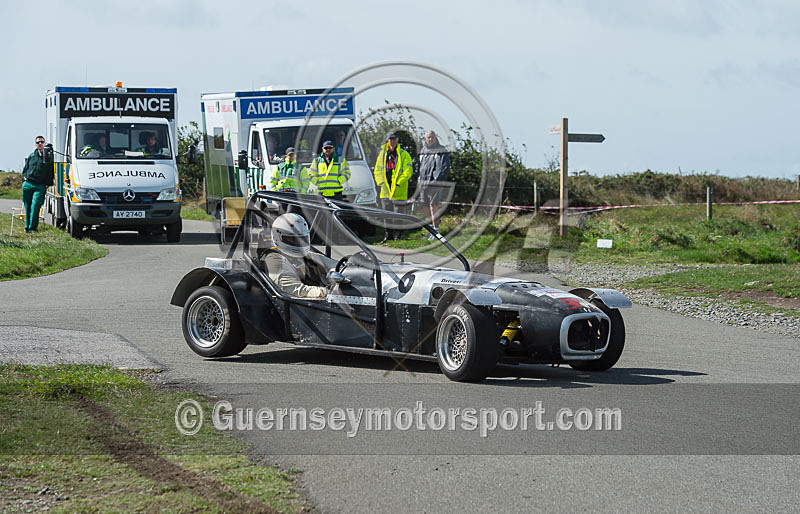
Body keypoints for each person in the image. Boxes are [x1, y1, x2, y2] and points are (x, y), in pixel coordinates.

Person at [262, 213, 333, 299]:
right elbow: (293, 289)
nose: (298, 243)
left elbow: (337, 266)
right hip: (300, 307)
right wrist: (326, 292)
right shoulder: (275, 259)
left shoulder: (306, 256)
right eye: (292, 239)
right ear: (279, 237)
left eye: (302, 239)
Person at [373, 132, 413, 241]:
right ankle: (388, 235)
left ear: (397, 140)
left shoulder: (404, 154)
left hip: (399, 190)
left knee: (399, 214)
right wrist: (380, 182)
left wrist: (399, 182)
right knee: (386, 214)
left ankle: (399, 235)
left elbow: (408, 171)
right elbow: (377, 171)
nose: (392, 141)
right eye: (390, 139)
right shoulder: (382, 154)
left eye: (394, 139)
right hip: (385, 190)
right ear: (387, 140)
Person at [417, 130, 451, 236]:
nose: (430, 139)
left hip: (435, 183)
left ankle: (436, 230)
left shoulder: (441, 150)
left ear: (435, 138)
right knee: (425, 205)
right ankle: (430, 229)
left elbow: (446, 167)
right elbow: (420, 167)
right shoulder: (423, 150)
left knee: (433, 205)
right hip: (423, 183)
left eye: (432, 137)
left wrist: (439, 180)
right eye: (428, 137)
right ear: (425, 139)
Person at [21, 136, 53, 233]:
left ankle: (32, 228)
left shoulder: (48, 157)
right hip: (28, 184)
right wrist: (24, 178)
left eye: (42, 142)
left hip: (39, 186)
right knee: (28, 206)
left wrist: (47, 184)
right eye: (38, 142)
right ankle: (27, 227)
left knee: (35, 206)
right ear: (35, 144)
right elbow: (25, 169)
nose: (40, 144)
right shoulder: (31, 156)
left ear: (44, 144)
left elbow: (50, 172)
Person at [271, 147, 310, 213]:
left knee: (290, 212)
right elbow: (273, 181)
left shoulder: (300, 168)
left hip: (294, 195)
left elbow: (306, 183)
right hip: (281, 194)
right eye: (290, 155)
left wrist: (301, 195)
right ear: (286, 155)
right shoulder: (279, 167)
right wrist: (275, 193)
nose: (291, 156)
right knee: (282, 214)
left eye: (293, 155)